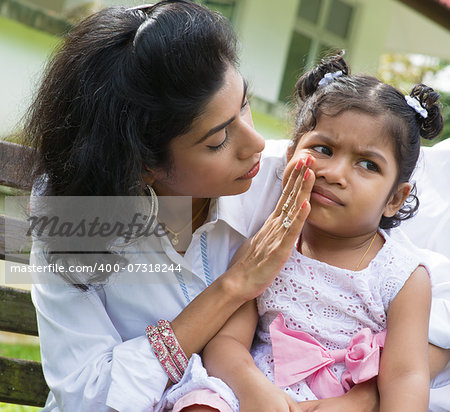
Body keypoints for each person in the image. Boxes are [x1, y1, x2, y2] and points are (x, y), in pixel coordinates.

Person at [21, 3, 449, 411]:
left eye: (243, 103)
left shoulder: (300, 179)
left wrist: (366, 397)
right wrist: (233, 286)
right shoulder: (73, 218)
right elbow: (86, 398)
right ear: (144, 165)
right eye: (218, 140)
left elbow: (433, 295)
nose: (258, 143)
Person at [165, 54, 449, 411]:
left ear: (394, 198)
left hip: (342, 400)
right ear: (290, 157)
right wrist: (258, 393)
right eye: (323, 149)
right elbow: (225, 344)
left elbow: (406, 377)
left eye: (367, 164)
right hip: (253, 391)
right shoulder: (270, 247)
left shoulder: (402, 277)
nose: (334, 172)